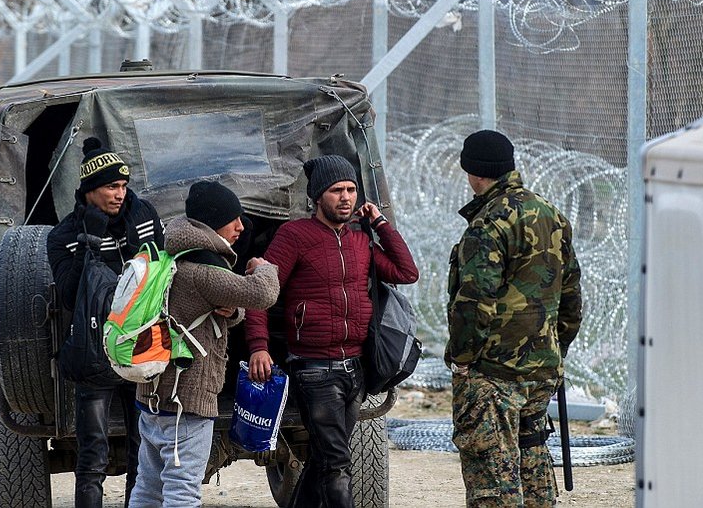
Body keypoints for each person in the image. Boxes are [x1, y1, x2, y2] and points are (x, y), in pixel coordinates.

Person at [245, 154, 419, 508]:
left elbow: (406, 272)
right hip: (314, 370)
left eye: (352, 189)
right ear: (317, 197)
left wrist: (381, 224)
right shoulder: (294, 236)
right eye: (337, 190)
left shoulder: (360, 241)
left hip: (356, 367)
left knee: (324, 459)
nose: (346, 197)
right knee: (338, 464)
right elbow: (260, 293)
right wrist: (258, 346)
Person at [445, 129, 583, 508]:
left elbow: (475, 300)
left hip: (494, 371)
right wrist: (555, 349)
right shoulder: (550, 213)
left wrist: (462, 359)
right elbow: (571, 294)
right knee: (533, 458)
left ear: (473, 172)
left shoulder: (489, 223)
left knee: (492, 473)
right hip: (542, 368)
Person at [130, 180, 280, 508]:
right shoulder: (205, 272)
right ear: (212, 222)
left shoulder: (171, 257)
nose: (241, 226)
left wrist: (233, 312)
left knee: (148, 486)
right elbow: (263, 294)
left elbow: (203, 314)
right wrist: (265, 268)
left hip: (153, 396)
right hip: (187, 402)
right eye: (233, 219)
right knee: (183, 490)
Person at [47, 136, 164, 508]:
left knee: (142, 452)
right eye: (111, 187)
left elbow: (161, 275)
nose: (119, 194)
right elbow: (68, 294)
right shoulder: (64, 236)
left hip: (140, 349)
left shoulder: (143, 216)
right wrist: (91, 244)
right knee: (92, 456)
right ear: (89, 192)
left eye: (123, 186)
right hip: (94, 354)